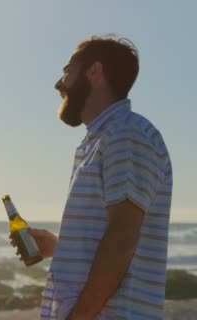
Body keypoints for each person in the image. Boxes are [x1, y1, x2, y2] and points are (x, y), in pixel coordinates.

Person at [14, 36, 173, 319]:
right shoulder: (101, 141)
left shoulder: (127, 134)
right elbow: (115, 236)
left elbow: (123, 237)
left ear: (94, 72)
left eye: (67, 71)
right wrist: (60, 248)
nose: (58, 84)